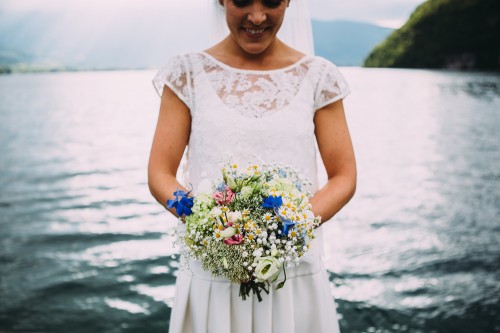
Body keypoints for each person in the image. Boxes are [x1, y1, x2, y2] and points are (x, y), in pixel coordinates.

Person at [148, 0, 356, 332]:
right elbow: (160, 173)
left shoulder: (320, 77)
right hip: (212, 271)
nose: (257, 17)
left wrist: (285, 228)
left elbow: (344, 176)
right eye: (242, 0)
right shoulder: (186, 74)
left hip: (292, 273)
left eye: (272, 1)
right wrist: (211, 225)